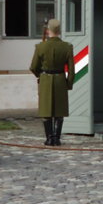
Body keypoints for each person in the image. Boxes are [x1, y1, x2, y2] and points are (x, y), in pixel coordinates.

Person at [29, 18, 73, 146]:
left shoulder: (40, 46)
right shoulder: (67, 47)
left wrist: (40, 76)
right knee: (59, 112)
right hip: (60, 79)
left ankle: (49, 138)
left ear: (48, 31)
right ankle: (57, 138)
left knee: (46, 110)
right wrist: (68, 84)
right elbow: (71, 69)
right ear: (59, 31)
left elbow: (33, 67)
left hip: (46, 80)